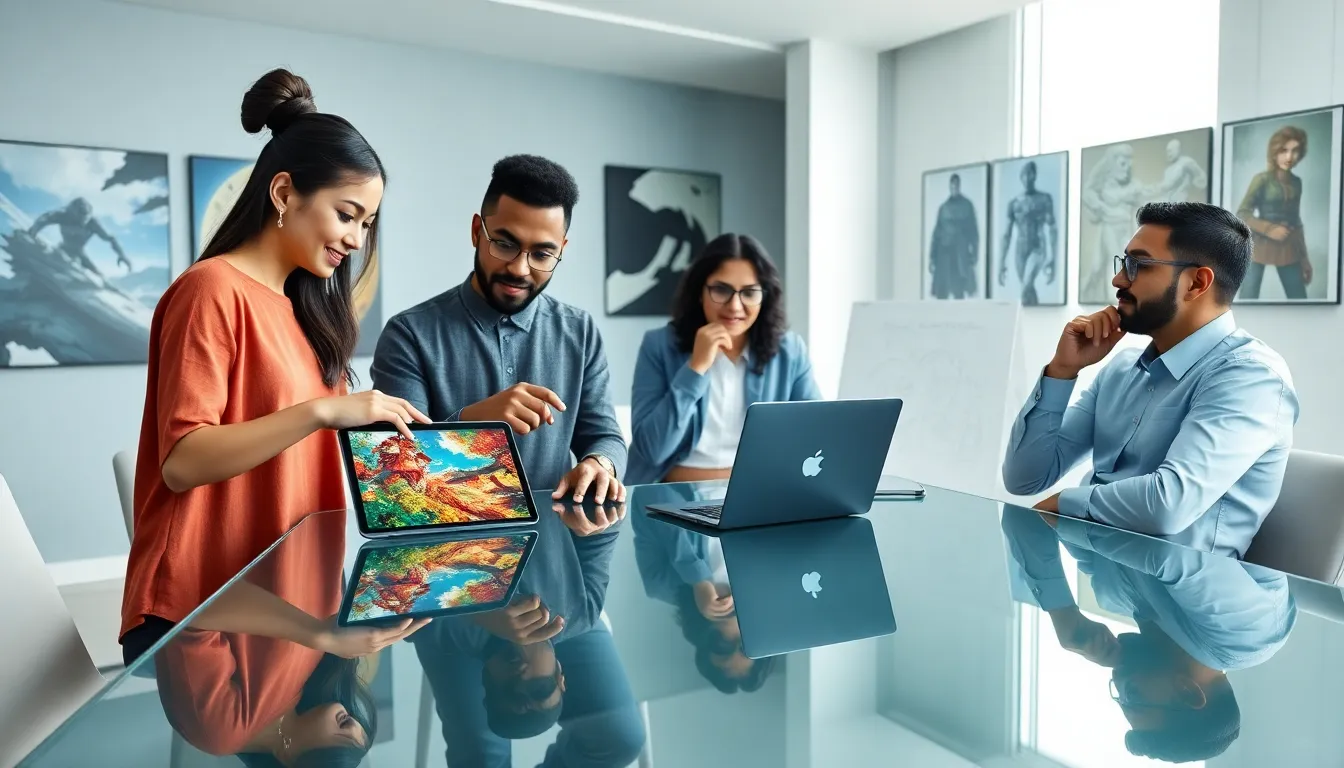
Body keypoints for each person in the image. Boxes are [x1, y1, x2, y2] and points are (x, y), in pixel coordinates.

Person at [119, 69, 430, 665]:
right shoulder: (210, 290)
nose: (357, 240)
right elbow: (182, 462)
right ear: (284, 193)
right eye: (347, 215)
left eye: (367, 224)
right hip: (201, 610)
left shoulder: (306, 311)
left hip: (292, 605)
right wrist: (322, 411)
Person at [1001, 202, 1298, 558]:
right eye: (1123, 263)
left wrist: (1064, 503)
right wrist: (1062, 371)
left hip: (1189, 589)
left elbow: (1168, 504)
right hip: (1107, 576)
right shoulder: (1121, 369)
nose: (1118, 280)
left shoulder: (1251, 377)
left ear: (1196, 283)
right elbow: (1024, 479)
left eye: (1138, 265)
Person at [371, 154, 626, 504]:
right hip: (443, 538)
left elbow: (604, 436)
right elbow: (395, 469)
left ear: (561, 249)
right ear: (477, 232)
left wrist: (600, 464)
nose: (520, 269)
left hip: (555, 535)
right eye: (505, 244)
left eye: (542, 254)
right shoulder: (408, 334)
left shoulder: (580, 331)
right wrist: (475, 420)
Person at [1000, 503, 1295, 762]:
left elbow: (1023, 509)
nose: (1117, 679)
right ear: (1187, 691)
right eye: (1133, 696)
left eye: (1119, 696)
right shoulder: (1246, 641)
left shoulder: (1115, 596)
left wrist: (1061, 610)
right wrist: (1072, 513)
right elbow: (1167, 545)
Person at [413, 498, 646, 767]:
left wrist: (475, 608)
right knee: (483, 757)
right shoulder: (582, 611)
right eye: (539, 687)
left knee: (620, 739)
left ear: (485, 681)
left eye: (507, 690)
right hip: (566, 619)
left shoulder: (444, 634)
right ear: (560, 677)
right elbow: (605, 530)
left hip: (453, 619)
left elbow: (401, 595)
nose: (521, 677)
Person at [627, 233, 820, 486]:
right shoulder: (659, 345)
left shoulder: (790, 351)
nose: (735, 306)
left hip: (758, 494)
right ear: (700, 291)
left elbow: (817, 436)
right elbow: (652, 449)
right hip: (668, 496)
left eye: (749, 292)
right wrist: (695, 368)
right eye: (721, 290)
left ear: (765, 296)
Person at [1236, 125, 1312, 300]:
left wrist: (1304, 259)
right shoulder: (1261, 179)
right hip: (1259, 244)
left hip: (1288, 245)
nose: (1289, 157)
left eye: (1295, 151)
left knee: (1298, 298)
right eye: (1284, 150)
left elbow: (1296, 220)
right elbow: (1242, 213)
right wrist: (1269, 229)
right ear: (1275, 152)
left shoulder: (1297, 182)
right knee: (1248, 298)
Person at [1081, 144, 1144, 303]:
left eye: (1128, 165)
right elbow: (1088, 192)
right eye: (1122, 163)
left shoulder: (1133, 185)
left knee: (1122, 261)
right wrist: (1101, 207)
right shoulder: (1103, 182)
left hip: (1125, 228)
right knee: (1104, 264)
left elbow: (1146, 196)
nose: (1126, 169)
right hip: (1110, 227)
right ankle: (1107, 297)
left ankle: (1117, 299)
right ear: (1113, 163)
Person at [998, 160, 1059, 305]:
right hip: (1020, 250)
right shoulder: (1014, 203)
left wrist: (1054, 259)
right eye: (1024, 175)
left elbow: (1052, 228)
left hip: (1038, 247)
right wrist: (1001, 262)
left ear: (1034, 176)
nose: (1027, 178)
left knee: (1026, 284)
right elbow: (1007, 234)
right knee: (1028, 289)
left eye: (1030, 174)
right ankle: (1036, 316)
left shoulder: (1044, 199)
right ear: (1021, 177)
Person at [27, 196, 131, 276]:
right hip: (62, 249)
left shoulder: (93, 223)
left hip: (79, 253)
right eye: (78, 219)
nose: (81, 223)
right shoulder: (63, 215)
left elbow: (111, 238)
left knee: (98, 278)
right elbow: (45, 218)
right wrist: (33, 231)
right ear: (71, 213)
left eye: (84, 219)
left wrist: (122, 255)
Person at [928, 173, 980, 299]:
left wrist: (974, 253)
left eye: (956, 185)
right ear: (949, 186)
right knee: (942, 292)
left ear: (959, 186)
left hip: (959, 255)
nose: (954, 188)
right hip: (943, 254)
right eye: (952, 185)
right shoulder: (944, 208)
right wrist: (932, 257)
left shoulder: (967, 205)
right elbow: (936, 234)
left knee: (958, 290)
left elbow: (973, 232)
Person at [1147, 138, 1208, 203]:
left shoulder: (1186, 162)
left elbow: (1201, 176)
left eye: (1170, 151)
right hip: (1169, 201)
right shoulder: (1168, 170)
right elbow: (1165, 186)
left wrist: (1199, 187)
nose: (1168, 154)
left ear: (1177, 150)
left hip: (1181, 201)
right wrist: (1149, 189)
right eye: (1167, 151)